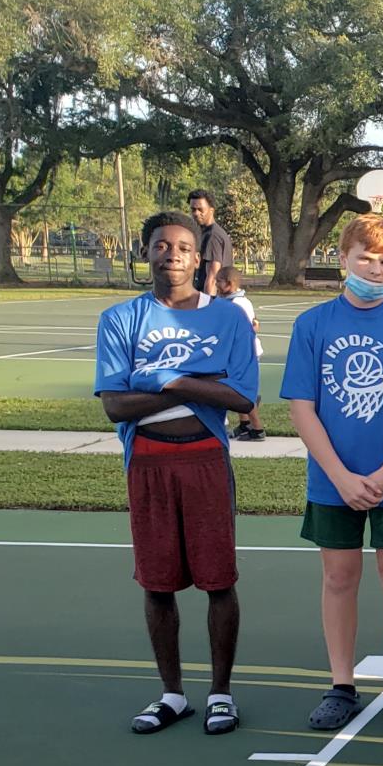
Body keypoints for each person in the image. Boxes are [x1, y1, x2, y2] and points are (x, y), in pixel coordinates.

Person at [95, 210, 258, 736]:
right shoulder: (121, 319)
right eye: (162, 245)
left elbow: (241, 397)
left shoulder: (228, 317)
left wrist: (170, 380)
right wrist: (196, 381)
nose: (172, 254)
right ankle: (171, 693)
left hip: (205, 458)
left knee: (218, 580)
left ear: (198, 256)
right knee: (157, 582)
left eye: (183, 247)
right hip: (147, 461)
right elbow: (115, 407)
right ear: (146, 253)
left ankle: (220, 693)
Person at [282, 213, 383, 732]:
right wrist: (342, 476)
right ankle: (341, 684)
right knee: (338, 577)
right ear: (343, 258)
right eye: (365, 259)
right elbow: (302, 408)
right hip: (333, 481)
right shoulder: (313, 325)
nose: (375, 270)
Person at [215, 265, 267, 441]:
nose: (216, 286)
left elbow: (246, 328)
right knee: (234, 389)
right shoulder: (229, 302)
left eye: (218, 282)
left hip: (244, 354)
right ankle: (244, 424)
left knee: (243, 392)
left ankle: (257, 429)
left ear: (229, 284)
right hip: (235, 353)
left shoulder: (238, 304)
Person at [187, 190, 234, 298]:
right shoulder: (203, 233)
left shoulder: (213, 235)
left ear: (211, 210)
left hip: (211, 299)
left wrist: (208, 308)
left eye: (200, 209)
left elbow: (212, 278)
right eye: (193, 209)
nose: (196, 213)